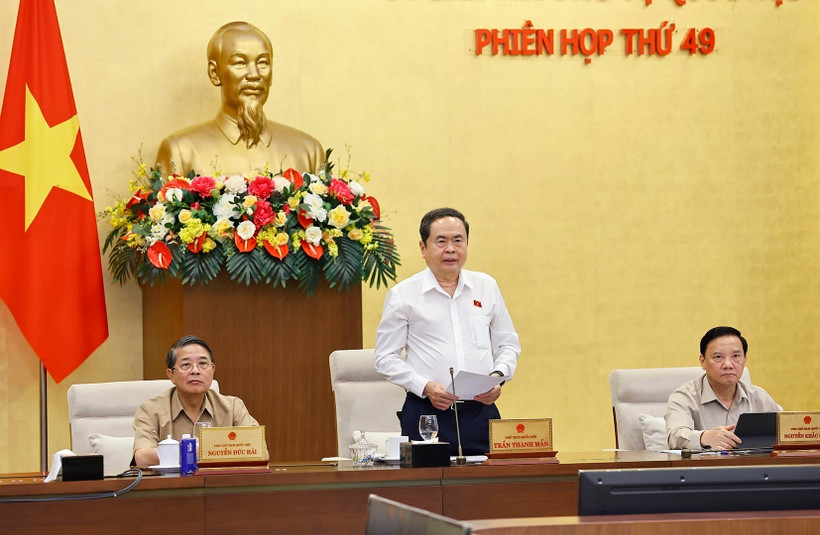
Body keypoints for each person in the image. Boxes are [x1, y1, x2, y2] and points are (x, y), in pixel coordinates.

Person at [374, 208, 521, 456]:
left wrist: (498, 377)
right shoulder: (403, 295)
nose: (451, 249)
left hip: (481, 412)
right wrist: (425, 386)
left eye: (458, 240)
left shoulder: (486, 287)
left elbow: (508, 345)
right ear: (423, 248)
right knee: (426, 491)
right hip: (427, 415)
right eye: (441, 241)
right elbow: (385, 358)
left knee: (486, 489)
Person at [155, 21, 324, 177]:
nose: (254, 74)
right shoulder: (180, 151)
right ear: (214, 73)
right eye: (240, 63)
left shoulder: (309, 152)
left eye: (263, 63)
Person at [133, 335, 260, 468]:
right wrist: (197, 452)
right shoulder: (151, 410)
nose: (195, 371)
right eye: (186, 365)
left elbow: (260, 452)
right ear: (171, 375)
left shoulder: (233, 407)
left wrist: (199, 453)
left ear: (212, 370)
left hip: (219, 485)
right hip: (170, 486)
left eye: (203, 364)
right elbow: (143, 457)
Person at [665, 326, 782, 450]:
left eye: (736, 356)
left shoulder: (759, 397)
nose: (728, 364)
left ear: (745, 359)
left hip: (751, 468)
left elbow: (785, 431)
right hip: (705, 468)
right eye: (718, 357)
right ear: (703, 361)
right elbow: (674, 437)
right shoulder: (684, 396)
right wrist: (705, 437)